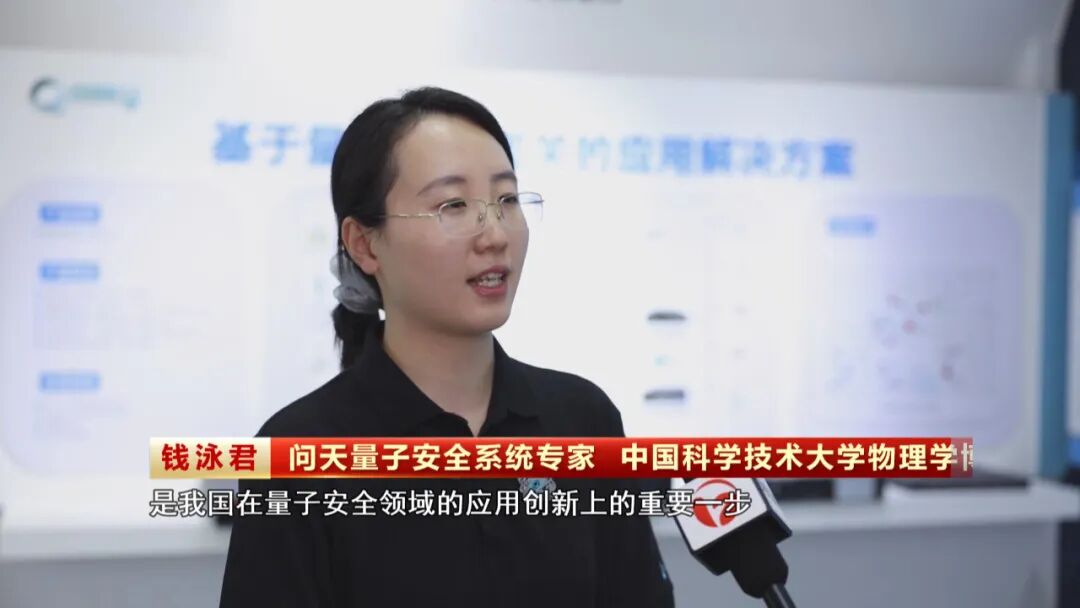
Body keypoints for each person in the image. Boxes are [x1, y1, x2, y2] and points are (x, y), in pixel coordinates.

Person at [219, 86, 675, 607]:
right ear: (364, 244)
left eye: (506, 200)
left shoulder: (582, 419)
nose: (494, 235)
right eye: (452, 205)